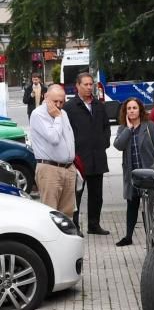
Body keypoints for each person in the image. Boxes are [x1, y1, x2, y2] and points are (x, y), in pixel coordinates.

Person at [64, 72, 112, 235]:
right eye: (85, 84)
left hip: (97, 157)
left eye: (91, 84)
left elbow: (106, 126)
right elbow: (66, 131)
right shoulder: (70, 107)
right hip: (79, 159)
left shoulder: (98, 105)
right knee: (76, 195)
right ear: (77, 86)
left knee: (97, 195)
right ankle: (75, 226)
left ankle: (94, 225)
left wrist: (104, 142)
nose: (89, 87)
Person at [112, 98, 154, 247]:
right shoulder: (123, 129)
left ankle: (152, 238)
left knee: (150, 208)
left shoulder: (149, 127)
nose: (132, 111)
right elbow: (118, 145)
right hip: (132, 176)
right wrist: (128, 129)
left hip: (148, 175)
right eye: (129, 108)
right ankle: (128, 236)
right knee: (131, 206)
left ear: (140, 110)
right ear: (125, 112)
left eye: (134, 108)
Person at [28, 85, 77, 218]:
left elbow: (69, 138)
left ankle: (66, 238)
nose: (58, 105)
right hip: (50, 169)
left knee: (67, 214)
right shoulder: (38, 114)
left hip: (68, 168)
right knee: (50, 214)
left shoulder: (63, 113)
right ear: (45, 97)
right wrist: (58, 117)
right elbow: (53, 138)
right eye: (55, 101)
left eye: (61, 102)